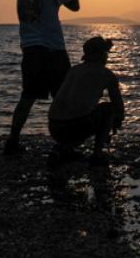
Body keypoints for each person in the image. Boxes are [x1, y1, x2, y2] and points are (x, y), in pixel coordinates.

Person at [4, 0, 80, 155]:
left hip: (29, 47)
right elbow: (75, 6)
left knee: (28, 96)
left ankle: (12, 140)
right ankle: (63, 144)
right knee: (61, 96)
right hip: (52, 47)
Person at [48, 35, 124, 167]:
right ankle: (97, 155)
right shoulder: (106, 74)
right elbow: (118, 105)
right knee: (109, 109)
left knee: (78, 114)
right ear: (103, 55)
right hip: (76, 126)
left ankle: (64, 149)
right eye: (106, 53)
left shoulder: (73, 70)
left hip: (54, 126)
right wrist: (115, 124)